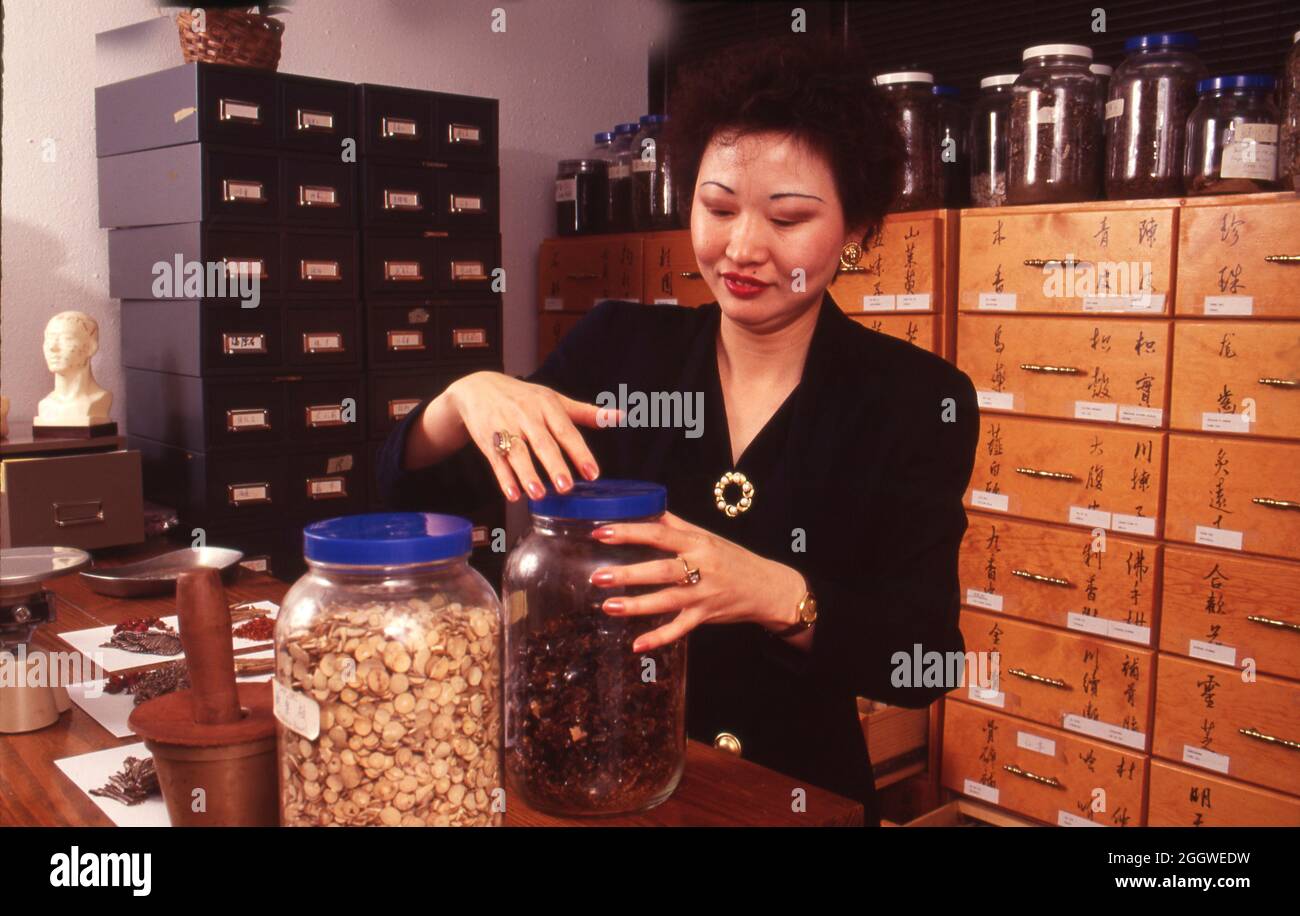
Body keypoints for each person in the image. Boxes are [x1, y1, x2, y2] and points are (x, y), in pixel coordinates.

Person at [378, 34, 979, 826]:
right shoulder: (619, 348)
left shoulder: (914, 399)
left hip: (793, 796)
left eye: (788, 217)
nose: (741, 248)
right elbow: (409, 507)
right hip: (597, 777)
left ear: (859, 229)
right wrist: (461, 401)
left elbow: (923, 658)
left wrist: (777, 592)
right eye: (718, 206)